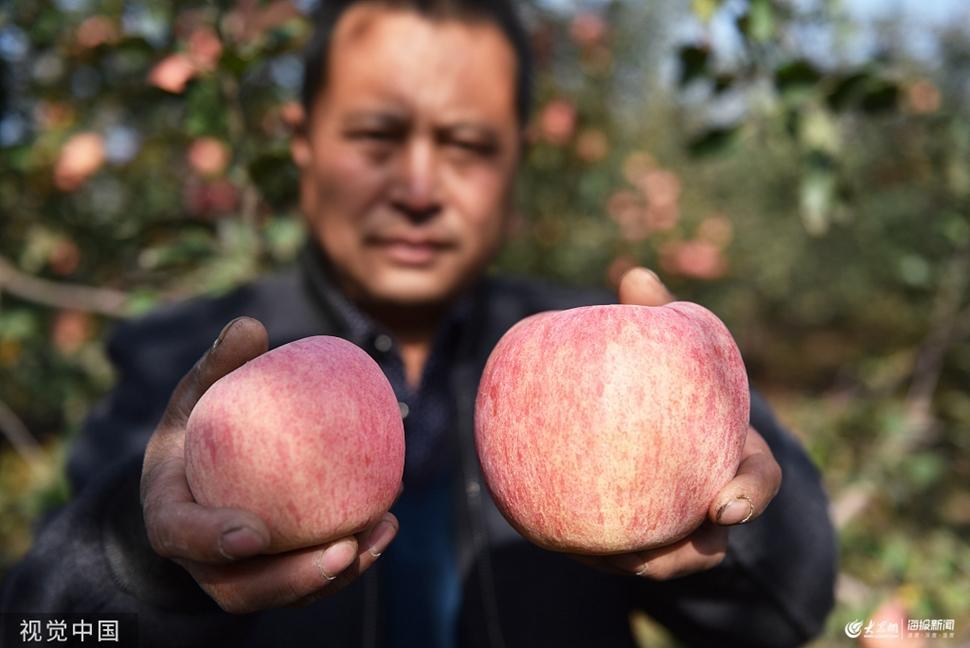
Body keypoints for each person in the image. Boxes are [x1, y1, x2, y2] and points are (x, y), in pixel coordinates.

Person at [0, 1, 837, 646]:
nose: (420, 186)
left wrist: (727, 517)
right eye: (376, 135)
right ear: (302, 142)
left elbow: (793, 615)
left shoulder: (629, 363)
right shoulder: (185, 363)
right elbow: (42, 627)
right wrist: (147, 557)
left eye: (467, 144)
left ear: (516, 157)